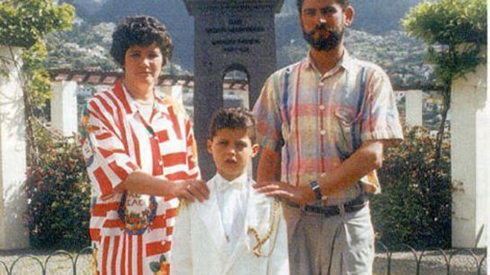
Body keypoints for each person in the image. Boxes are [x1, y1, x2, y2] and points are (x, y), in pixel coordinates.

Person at [252, 0, 404, 274]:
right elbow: (269, 154)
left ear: (347, 15)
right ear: (301, 20)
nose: (318, 20)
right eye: (310, 12)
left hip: (347, 221)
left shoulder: (370, 79)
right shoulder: (280, 83)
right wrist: (264, 220)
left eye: (327, 11)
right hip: (294, 223)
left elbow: (372, 155)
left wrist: (308, 192)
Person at [81, 15, 209, 275]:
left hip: (174, 244)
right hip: (122, 249)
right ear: (122, 59)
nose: (145, 63)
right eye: (135, 54)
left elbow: (192, 176)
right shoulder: (99, 108)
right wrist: (172, 187)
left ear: (164, 59)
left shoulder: (175, 113)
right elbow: (116, 170)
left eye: (152, 54)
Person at [170, 107, 290, 275]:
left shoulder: (270, 204)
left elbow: (279, 266)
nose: (231, 151)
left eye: (240, 145)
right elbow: (180, 262)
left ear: (254, 150)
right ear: (210, 146)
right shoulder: (193, 200)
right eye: (223, 143)